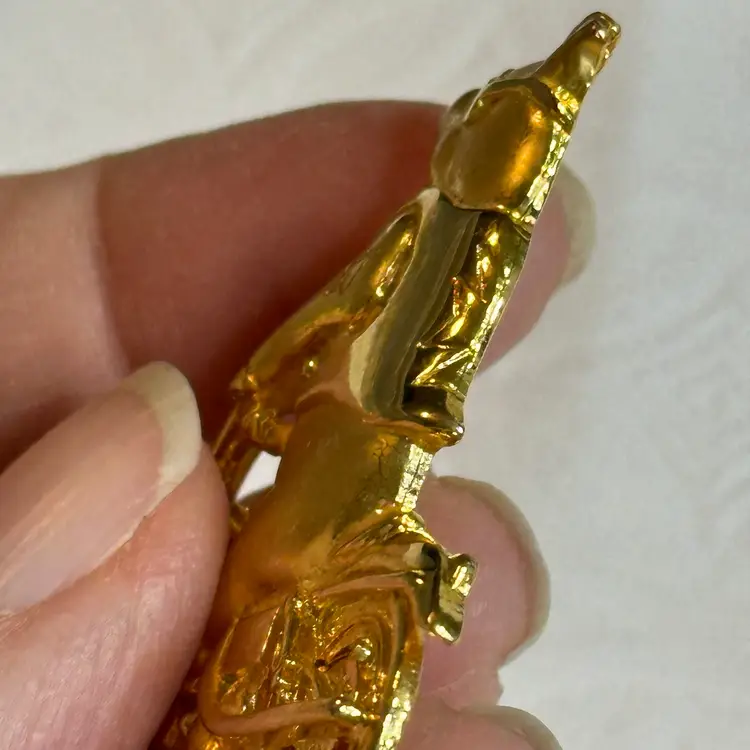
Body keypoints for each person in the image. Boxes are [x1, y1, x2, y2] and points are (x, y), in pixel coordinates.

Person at [0, 100, 590, 750]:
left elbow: (345, 303)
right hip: (372, 427)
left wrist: (267, 378)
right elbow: (350, 300)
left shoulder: (441, 236)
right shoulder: (433, 231)